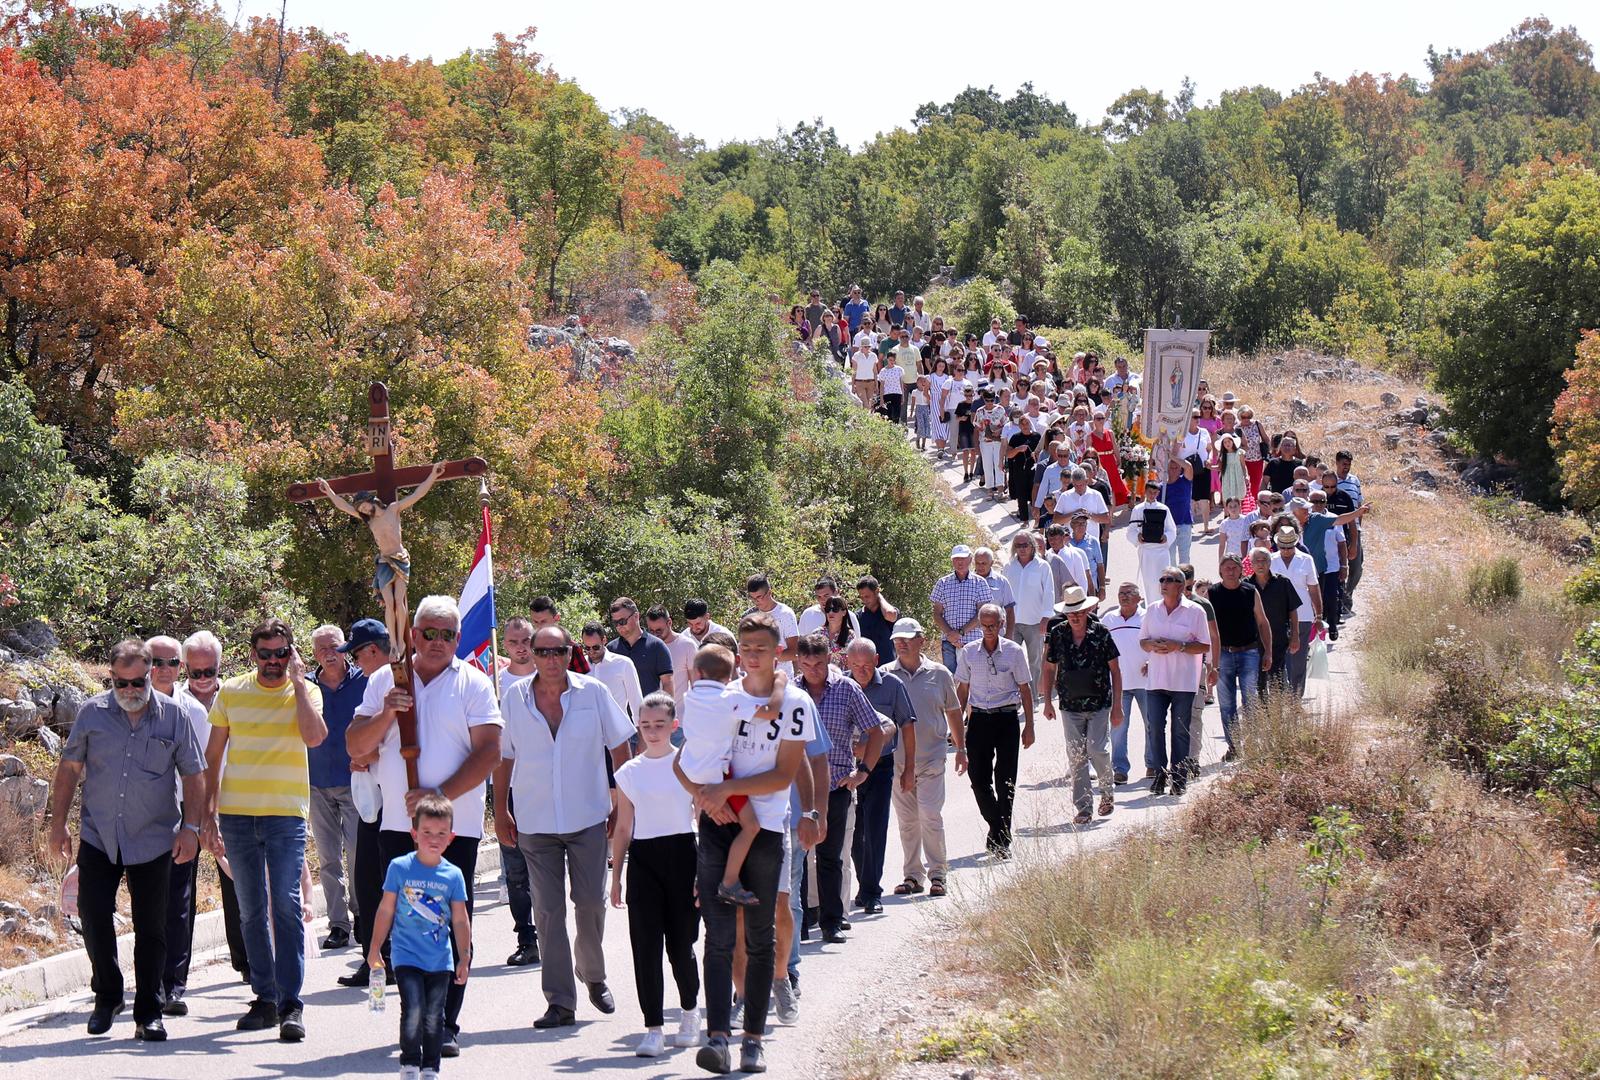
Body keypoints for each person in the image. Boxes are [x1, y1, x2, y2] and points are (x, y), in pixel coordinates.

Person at [347, 597, 502, 1056]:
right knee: (403, 926)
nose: (438, 642)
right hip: (397, 826)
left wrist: (439, 799)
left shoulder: (474, 683)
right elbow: (356, 745)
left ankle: (445, 1024)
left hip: (455, 829)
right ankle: (411, 1021)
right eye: (429, 633)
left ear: (458, 638)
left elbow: (489, 752)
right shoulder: (384, 680)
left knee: (451, 922)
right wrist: (388, 712)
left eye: (447, 634)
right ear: (412, 635)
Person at [677, 612, 815, 1075]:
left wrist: (722, 793)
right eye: (745, 646)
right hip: (717, 825)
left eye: (761, 646)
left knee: (759, 939)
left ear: (777, 651)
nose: (752, 653)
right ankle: (717, 1038)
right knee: (716, 938)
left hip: (767, 827)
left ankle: (753, 1040)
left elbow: (782, 773)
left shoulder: (793, 702)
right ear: (737, 653)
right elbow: (683, 760)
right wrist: (704, 796)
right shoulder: (719, 697)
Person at [48, 638, 205, 1041]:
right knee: (94, 914)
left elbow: (193, 774)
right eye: (122, 684)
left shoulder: (174, 716)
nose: (131, 692)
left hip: (155, 838)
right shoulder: (92, 713)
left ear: (151, 674)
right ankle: (108, 996)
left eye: (138, 683)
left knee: (152, 927)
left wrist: (192, 829)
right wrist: (58, 823)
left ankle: (149, 1012)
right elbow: (68, 769)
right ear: (112, 679)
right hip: (99, 835)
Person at [492, 625, 631, 1030]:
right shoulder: (514, 699)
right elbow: (504, 757)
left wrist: (621, 803)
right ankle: (559, 1001)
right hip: (535, 821)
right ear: (531, 654)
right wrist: (500, 810)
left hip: (587, 816)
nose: (551, 659)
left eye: (559, 651)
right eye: (543, 651)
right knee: (548, 911)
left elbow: (620, 745)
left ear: (570, 653)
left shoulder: (592, 693)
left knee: (590, 903)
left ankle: (592, 972)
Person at [200, 619, 326, 1042]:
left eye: (281, 653)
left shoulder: (306, 691)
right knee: (251, 909)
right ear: (252, 654)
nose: (273, 661)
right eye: (266, 653)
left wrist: (297, 682)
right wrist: (207, 815)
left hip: (285, 816)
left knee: (287, 906)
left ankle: (292, 1003)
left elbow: (315, 737)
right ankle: (266, 997)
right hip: (236, 816)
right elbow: (213, 755)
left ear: (291, 653)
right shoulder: (231, 692)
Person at [610, 694, 703, 1057]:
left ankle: (690, 1012)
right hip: (645, 860)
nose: (651, 732)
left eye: (659, 725)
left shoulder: (688, 764)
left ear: (673, 726)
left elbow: (702, 818)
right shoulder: (629, 772)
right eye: (645, 725)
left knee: (681, 944)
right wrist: (617, 876)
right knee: (645, 946)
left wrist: (704, 872)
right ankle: (653, 1027)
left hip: (683, 855)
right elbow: (623, 827)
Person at [366, 793, 471, 1080]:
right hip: (405, 955)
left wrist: (465, 956)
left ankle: (430, 1068)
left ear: (451, 836)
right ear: (414, 834)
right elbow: (386, 910)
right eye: (426, 832)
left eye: (440, 833)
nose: (433, 839)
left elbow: (460, 919)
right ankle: (410, 1064)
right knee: (412, 1009)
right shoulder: (399, 868)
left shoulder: (453, 876)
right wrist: (375, 949)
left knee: (434, 1017)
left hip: (440, 960)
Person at [794, 633, 885, 943]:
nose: (812, 670)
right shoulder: (791, 693)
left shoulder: (846, 689)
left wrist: (863, 771)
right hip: (798, 790)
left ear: (829, 660)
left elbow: (876, 730)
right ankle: (801, 922)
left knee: (831, 856)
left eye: (818, 664)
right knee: (799, 859)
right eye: (805, 664)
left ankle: (833, 921)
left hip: (836, 786)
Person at [677, 644, 784, 906]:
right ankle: (729, 881)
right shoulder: (730, 699)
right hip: (719, 777)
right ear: (730, 675)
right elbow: (771, 713)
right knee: (751, 827)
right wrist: (779, 683)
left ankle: (705, 882)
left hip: (692, 773)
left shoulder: (690, 697)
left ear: (697, 672)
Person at [142, 635, 211, 1018]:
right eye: (156, 661)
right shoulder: (130, 707)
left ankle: (173, 985)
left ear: (181, 667)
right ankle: (149, 980)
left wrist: (197, 822)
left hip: (182, 815)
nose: (163, 669)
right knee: (147, 900)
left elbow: (199, 773)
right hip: (143, 817)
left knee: (179, 902)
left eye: (171, 662)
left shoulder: (195, 713)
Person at [335, 619, 404, 988]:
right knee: (367, 881)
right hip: (372, 801)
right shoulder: (373, 685)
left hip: (393, 802)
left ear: (373, 651)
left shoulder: (401, 680)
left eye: (357, 653)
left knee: (381, 882)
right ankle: (376, 959)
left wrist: (368, 753)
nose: (356, 661)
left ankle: (386, 960)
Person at [883, 619, 962, 897]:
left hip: (931, 758)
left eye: (907, 638)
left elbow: (953, 711)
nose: (902, 643)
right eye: (897, 640)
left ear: (921, 639)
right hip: (898, 761)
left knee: (929, 814)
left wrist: (961, 749)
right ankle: (912, 876)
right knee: (907, 820)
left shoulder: (940, 674)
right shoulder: (885, 676)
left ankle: (938, 873)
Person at [954, 604, 1036, 859]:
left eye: (993, 625)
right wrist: (957, 725)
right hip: (978, 719)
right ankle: (1000, 829)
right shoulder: (968, 652)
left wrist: (1030, 726)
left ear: (1002, 624)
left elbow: (1025, 690)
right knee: (978, 779)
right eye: (984, 625)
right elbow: (962, 689)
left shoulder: (1013, 652)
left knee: (1005, 780)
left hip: (1006, 719)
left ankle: (1000, 841)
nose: (988, 630)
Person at [1040, 587, 1123, 824]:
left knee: (1097, 749)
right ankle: (1084, 807)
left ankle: (1107, 794)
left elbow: (1115, 671)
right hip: (1069, 705)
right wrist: (1047, 701)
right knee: (1076, 756)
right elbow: (1049, 668)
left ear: (1087, 610)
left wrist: (1118, 706)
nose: (1075, 616)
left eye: (1078, 611)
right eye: (1070, 612)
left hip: (1099, 703)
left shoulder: (1101, 633)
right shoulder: (1057, 634)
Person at [844, 639, 914, 916]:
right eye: (855, 666)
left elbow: (907, 726)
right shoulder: (840, 687)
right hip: (847, 767)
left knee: (875, 829)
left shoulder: (893, 685)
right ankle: (864, 883)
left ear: (876, 660)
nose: (861, 671)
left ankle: (872, 891)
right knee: (854, 831)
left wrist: (909, 768)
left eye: (866, 665)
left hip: (881, 767)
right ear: (848, 664)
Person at [307, 625, 364, 953]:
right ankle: (338, 925)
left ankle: (361, 914)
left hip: (356, 781)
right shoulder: (306, 686)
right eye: (321, 649)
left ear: (344, 648)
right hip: (317, 783)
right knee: (328, 857)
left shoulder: (363, 681)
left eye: (333, 647)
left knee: (357, 854)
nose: (328, 654)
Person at [493, 617, 540, 968]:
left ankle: (554, 934)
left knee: (548, 867)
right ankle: (527, 937)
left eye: (526, 639)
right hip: (509, 787)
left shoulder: (551, 679)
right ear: (505, 645)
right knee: (515, 870)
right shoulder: (496, 683)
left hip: (546, 787)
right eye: (513, 641)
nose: (520, 646)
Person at [1139, 570, 1211, 797]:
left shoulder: (1195, 611)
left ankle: (1179, 778)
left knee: (1180, 731)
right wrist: (1153, 645)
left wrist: (1178, 646)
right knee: (1155, 729)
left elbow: (1204, 646)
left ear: (1181, 586)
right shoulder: (1152, 609)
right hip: (1157, 681)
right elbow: (1142, 641)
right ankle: (1159, 775)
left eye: (1169, 580)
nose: (1164, 583)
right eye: (1162, 579)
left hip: (1183, 682)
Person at [1207, 554, 1274, 760]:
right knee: (1227, 704)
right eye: (1226, 567)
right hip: (1223, 655)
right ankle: (1234, 746)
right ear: (1220, 571)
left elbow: (1262, 622)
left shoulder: (1250, 591)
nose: (1230, 571)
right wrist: (1210, 661)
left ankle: (1253, 744)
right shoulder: (1212, 593)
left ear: (1241, 570)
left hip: (1249, 652)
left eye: (1234, 567)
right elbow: (1205, 628)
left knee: (1250, 700)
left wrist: (1268, 651)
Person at [1268, 524, 1323, 697]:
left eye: (1289, 547)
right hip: (1277, 617)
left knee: (1298, 661)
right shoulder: (1270, 560)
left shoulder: (1306, 560)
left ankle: (1295, 699)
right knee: (1279, 659)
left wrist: (1319, 614)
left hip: (1303, 615)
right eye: (1283, 547)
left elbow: (1314, 588)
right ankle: (1280, 696)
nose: (1286, 550)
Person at [1100, 583, 1147, 784]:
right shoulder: (1109, 619)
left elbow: (1158, 641)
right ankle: (1119, 769)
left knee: (1152, 725)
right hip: (1118, 683)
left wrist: (1152, 660)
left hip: (1146, 682)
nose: (1124, 596)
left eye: (1129, 593)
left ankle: (1153, 765)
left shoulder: (1148, 617)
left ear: (1139, 598)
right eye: (1121, 593)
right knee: (1118, 728)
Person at [1002, 531, 1057, 698]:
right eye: (1018, 545)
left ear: (1032, 546)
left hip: (1035, 621)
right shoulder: (1009, 567)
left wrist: (1046, 618)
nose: (1022, 549)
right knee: (1010, 660)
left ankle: (1032, 698)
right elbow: (1004, 594)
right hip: (1012, 622)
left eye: (1025, 545)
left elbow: (1049, 592)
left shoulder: (1042, 567)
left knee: (1034, 662)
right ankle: (1013, 697)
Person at [930, 544, 990, 673]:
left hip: (973, 641)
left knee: (975, 679)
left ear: (970, 559)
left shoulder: (980, 583)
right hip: (948, 642)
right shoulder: (942, 583)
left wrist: (960, 633)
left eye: (963, 558)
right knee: (951, 680)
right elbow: (936, 614)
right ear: (952, 561)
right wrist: (950, 635)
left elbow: (982, 614)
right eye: (956, 559)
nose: (960, 562)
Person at [608, 597, 675, 700]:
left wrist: (667, 714)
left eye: (622, 621)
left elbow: (668, 683)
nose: (619, 626)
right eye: (615, 623)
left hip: (650, 713)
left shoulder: (657, 646)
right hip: (620, 715)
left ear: (636, 616)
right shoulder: (611, 649)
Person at [581, 622, 644, 720]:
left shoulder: (623, 664)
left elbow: (636, 702)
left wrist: (641, 730)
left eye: (595, 647)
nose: (591, 652)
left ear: (604, 640)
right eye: (587, 648)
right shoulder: (579, 667)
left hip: (618, 731)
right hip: (589, 730)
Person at [645, 605, 699, 718]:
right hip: (650, 720)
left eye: (659, 630)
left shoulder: (687, 645)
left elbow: (696, 684)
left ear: (669, 622)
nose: (655, 635)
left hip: (678, 720)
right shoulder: (645, 647)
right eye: (651, 630)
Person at [1129, 483, 1178, 603]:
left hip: (1161, 550)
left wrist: (1166, 537)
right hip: (1146, 550)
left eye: (1155, 493)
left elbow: (1172, 529)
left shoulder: (1163, 509)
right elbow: (1131, 530)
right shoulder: (1138, 509)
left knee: (1163, 580)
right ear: (1145, 492)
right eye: (1150, 492)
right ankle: (1150, 606)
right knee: (1149, 582)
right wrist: (1137, 537)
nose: (1152, 495)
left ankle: (1165, 604)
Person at [744, 573, 801, 674]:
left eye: (759, 597)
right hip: (756, 677)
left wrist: (767, 655)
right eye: (752, 598)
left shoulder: (785, 614)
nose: (756, 601)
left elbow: (794, 653)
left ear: (769, 592)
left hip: (782, 677)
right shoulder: (749, 615)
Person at [853, 575, 901, 665]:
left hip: (888, 668)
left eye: (867, 596)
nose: (864, 600)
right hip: (867, 669)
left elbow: (890, 614)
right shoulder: (858, 616)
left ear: (877, 591)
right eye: (861, 597)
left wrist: (880, 596)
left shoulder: (887, 612)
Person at [1007, 414, 1042, 522]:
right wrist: (1017, 449)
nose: (1025, 426)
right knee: (1021, 495)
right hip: (1019, 470)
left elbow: (1042, 452)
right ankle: (1024, 520)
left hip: (1034, 470)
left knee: (1034, 495)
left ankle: (1037, 520)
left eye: (1027, 423)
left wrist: (1036, 455)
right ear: (1019, 426)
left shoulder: (1037, 436)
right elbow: (1008, 454)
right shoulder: (1015, 437)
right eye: (1022, 424)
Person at [850, 337, 878, 409]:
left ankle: (868, 419)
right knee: (865, 404)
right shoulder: (856, 356)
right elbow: (854, 371)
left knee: (870, 404)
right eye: (865, 346)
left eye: (868, 346)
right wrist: (853, 385)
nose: (867, 348)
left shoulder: (873, 356)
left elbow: (875, 371)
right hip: (860, 383)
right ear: (861, 347)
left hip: (871, 382)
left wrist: (876, 385)